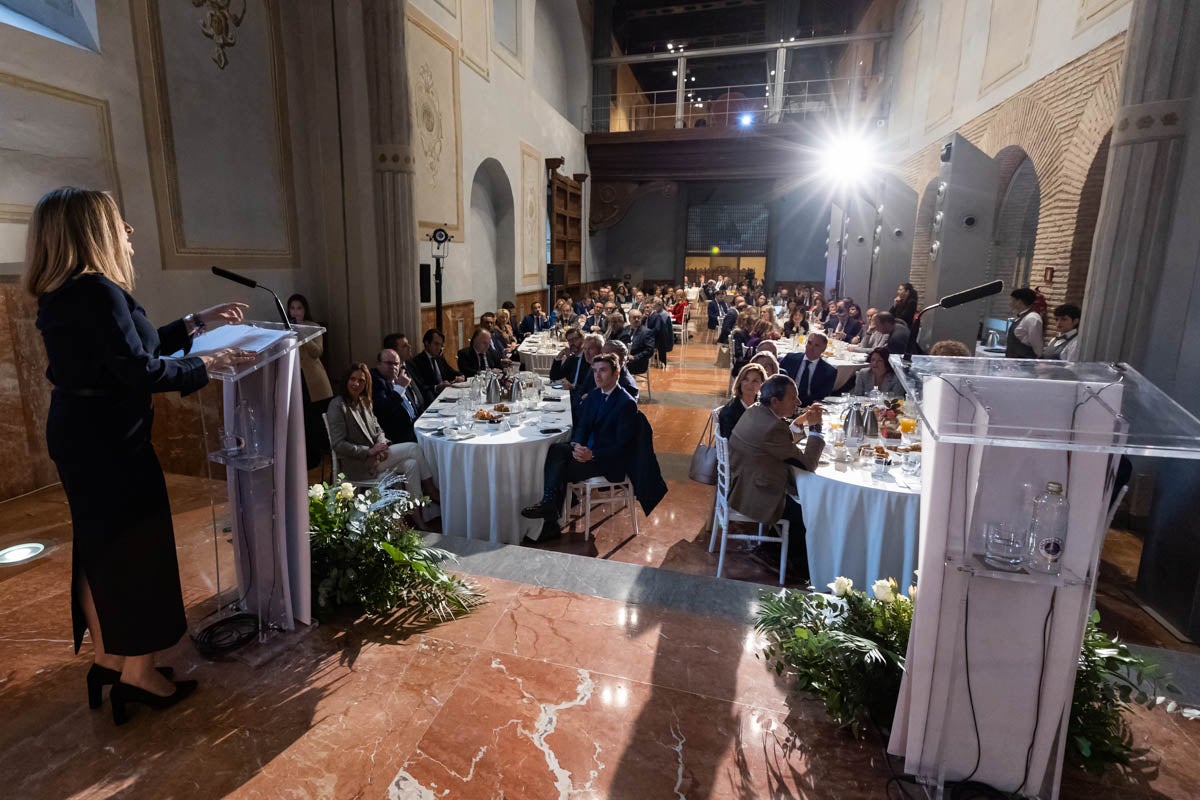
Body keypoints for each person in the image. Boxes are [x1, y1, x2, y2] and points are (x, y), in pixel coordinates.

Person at [27, 187, 255, 720]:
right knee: (138, 548)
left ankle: (109, 658)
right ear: (94, 230)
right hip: (111, 443)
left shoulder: (66, 291)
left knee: (99, 546)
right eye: (118, 221)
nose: (129, 231)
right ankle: (139, 674)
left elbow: (132, 349)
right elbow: (139, 370)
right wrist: (210, 365)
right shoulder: (99, 292)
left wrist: (196, 324)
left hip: (81, 435)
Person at [520, 353, 637, 540]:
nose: (597, 376)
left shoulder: (626, 403)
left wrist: (593, 454)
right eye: (595, 371)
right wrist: (576, 445)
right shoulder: (594, 397)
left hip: (609, 461)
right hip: (588, 451)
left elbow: (623, 446)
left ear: (616, 373)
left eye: (603, 371)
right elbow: (582, 426)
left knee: (561, 469)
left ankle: (550, 521)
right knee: (556, 450)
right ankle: (550, 506)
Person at [728, 374, 825, 581]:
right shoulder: (773, 427)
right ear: (774, 401)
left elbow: (779, 444)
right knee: (808, 511)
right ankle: (798, 568)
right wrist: (816, 429)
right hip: (757, 494)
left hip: (742, 483)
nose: (799, 403)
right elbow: (808, 465)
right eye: (793, 398)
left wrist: (799, 423)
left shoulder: (756, 411)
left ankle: (770, 550)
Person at [326, 364, 439, 524]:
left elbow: (378, 430)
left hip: (377, 458)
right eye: (353, 379)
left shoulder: (364, 402)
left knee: (412, 465)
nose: (356, 384)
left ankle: (419, 519)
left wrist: (382, 445)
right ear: (346, 380)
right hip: (359, 464)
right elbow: (338, 444)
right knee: (413, 448)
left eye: (361, 381)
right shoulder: (337, 405)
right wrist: (370, 451)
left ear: (366, 384)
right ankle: (432, 491)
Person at [287, 293, 334, 470]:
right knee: (304, 422)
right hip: (295, 379)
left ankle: (323, 459)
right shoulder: (285, 328)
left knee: (317, 422)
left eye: (299, 308)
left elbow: (317, 352)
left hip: (315, 381)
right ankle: (307, 459)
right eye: (292, 308)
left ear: (305, 309)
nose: (295, 311)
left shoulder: (313, 327)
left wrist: (301, 335)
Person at [371, 349, 424, 444]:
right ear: (378, 364)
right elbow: (384, 409)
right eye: (389, 363)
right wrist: (400, 388)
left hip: (416, 425)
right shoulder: (376, 381)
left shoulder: (399, 378)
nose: (393, 367)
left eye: (396, 364)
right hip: (399, 435)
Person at [779, 332, 838, 406]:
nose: (811, 347)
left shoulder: (829, 371)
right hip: (784, 402)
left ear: (823, 349)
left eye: (816, 345)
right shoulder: (790, 359)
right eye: (809, 343)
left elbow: (822, 396)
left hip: (809, 406)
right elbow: (777, 382)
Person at [408, 328, 463, 404]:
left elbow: (451, 372)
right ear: (427, 343)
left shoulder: (440, 359)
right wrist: (436, 387)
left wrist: (460, 376)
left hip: (446, 395)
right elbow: (421, 386)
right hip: (431, 400)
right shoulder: (417, 361)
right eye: (436, 344)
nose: (439, 348)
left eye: (441, 345)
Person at [719, 363, 767, 438]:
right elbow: (729, 442)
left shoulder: (762, 407)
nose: (749, 384)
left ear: (762, 384)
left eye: (755, 381)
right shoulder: (729, 412)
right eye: (746, 379)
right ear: (740, 382)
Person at [1006, 287, 1043, 358]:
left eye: (1013, 300)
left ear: (1019, 302)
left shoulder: (1032, 318)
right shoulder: (1021, 317)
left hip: (1024, 362)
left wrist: (1038, 360)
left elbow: (1037, 344)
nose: (1010, 303)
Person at [623, 309, 656, 375]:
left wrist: (635, 357)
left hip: (637, 363)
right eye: (634, 317)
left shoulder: (647, 332)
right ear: (629, 319)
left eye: (639, 317)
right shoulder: (626, 329)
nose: (637, 319)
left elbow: (649, 351)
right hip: (624, 359)